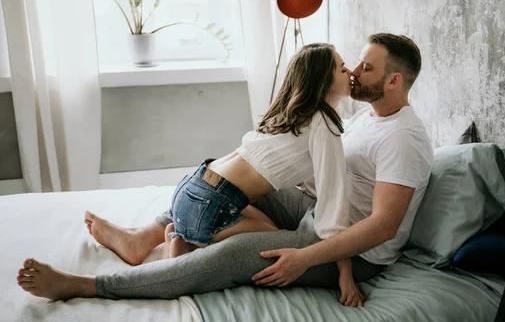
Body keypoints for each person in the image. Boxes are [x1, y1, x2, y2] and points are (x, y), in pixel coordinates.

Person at [16, 33, 433, 308]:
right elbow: (321, 179)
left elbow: (380, 226)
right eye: (354, 65)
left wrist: (304, 258)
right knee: (234, 178)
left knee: (234, 254)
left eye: (367, 68)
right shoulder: (367, 117)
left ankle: (89, 285)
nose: (356, 74)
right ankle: (144, 238)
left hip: (354, 251)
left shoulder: (404, 138)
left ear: (395, 80)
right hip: (320, 211)